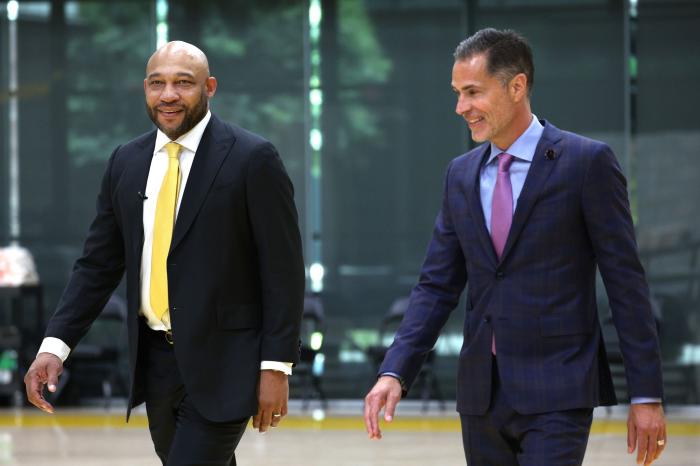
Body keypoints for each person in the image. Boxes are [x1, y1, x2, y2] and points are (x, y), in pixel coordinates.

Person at [364, 28, 666, 466]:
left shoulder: (586, 163)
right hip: (480, 395)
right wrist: (395, 369)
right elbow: (436, 286)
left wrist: (646, 395)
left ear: (517, 86)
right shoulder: (460, 175)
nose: (461, 107)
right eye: (457, 94)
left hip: (559, 389)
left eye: (473, 92)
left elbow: (626, 285)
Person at [24, 41, 305, 466]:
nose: (168, 95)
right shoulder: (126, 161)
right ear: (145, 89)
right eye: (157, 83)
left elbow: (283, 271)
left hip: (227, 363)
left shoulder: (253, 158)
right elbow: (97, 266)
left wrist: (276, 366)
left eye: (183, 83)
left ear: (209, 87)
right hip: (155, 362)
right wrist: (55, 346)